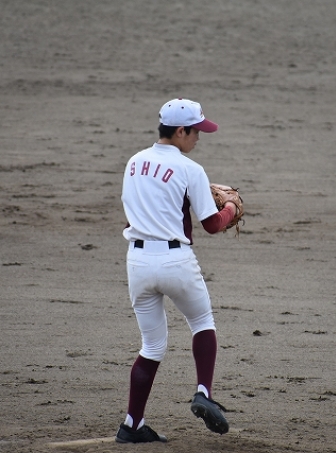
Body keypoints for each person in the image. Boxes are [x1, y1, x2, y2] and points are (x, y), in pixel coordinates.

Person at [115, 98, 239, 443]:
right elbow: (212, 224)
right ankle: (203, 392)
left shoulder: (134, 162)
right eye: (196, 131)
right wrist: (230, 207)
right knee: (202, 322)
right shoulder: (190, 169)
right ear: (180, 131)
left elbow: (132, 214)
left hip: (138, 262)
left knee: (152, 346)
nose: (199, 137)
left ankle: (132, 425)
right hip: (175, 261)